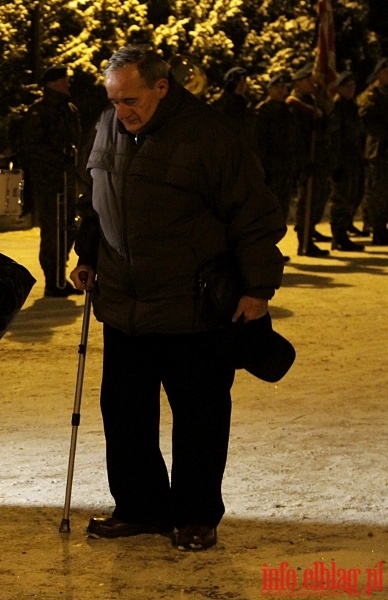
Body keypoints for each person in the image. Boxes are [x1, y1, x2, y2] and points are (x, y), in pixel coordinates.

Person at [69, 46, 286, 551]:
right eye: (114, 100)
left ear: (162, 87)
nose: (122, 110)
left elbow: (254, 217)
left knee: (199, 418)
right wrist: (88, 256)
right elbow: (93, 204)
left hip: (195, 305)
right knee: (125, 416)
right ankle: (141, 507)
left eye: (132, 99)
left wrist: (257, 289)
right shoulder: (105, 128)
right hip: (124, 303)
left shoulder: (211, 136)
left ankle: (194, 514)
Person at [20, 65, 82, 296]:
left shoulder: (70, 109)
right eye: (62, 79)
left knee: (69, 227)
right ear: (51, 84)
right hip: (49, 180)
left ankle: (59, 275)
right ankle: (52, 280)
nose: (67, 83)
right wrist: (58, 157)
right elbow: (33, 146)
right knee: (53, 231)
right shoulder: (40, 111)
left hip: (67, 177)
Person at [287, 62, 333, 256]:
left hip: (319, 157)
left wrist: (321, 92)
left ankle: (309, 234)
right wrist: (305, 161)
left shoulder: (312, 102)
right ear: (298, 82)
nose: (312, 84)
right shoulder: (294, 104)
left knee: (318, 197)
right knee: (307, 199)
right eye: (308, 81)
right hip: (305, 159)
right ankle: (303, 241)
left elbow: (329, 111)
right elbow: (296, 137)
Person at [253, 70, 298, 232]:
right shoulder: (263, 111)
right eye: (277, 87)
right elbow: (259, 144)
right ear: (270, 89)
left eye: (284, 87)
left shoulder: (286, 111)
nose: (281, 91)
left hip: (284, 168)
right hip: (270, 169)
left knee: (281, 209)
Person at [328, 71, 365, 251]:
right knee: (341, 198)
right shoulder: (338, 107)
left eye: (353, 86)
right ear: (339, 88)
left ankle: (343, 232)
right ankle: (339, 236)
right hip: (342, 159)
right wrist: (335, 163)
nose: (351, 90)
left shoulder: (351, 106)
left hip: (353, 158)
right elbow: (334, 138)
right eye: (347, 86)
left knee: (352, 195)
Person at [357, 58, 388, 245]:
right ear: (379, 73)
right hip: (379, 149)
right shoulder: (372, 94)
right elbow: (364, 120)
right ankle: (377, 228)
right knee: (378, 192)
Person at [210, 66, 252, 135]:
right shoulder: (222, 102)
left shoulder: (245, 103)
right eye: (238, 82)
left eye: (244, 81)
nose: (242, 85)